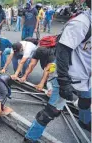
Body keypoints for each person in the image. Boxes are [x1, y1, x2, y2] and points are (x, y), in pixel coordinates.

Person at [23, 0, 91, 141]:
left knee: (86, 101)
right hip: (67, 74)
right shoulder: (81, 23)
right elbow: (62, 51)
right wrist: (64, 81)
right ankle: (30, 138)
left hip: (86, 76)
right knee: (51, 111)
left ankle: (84, 122)